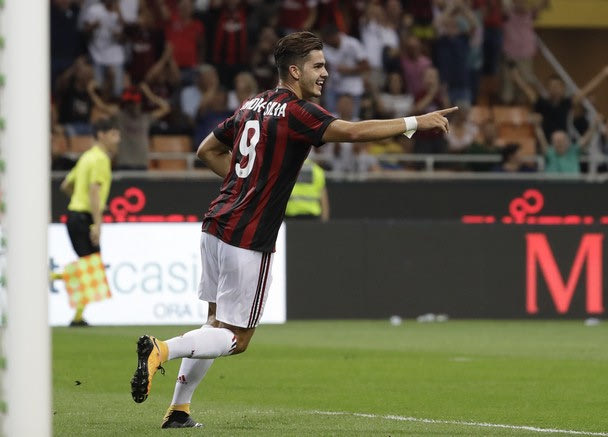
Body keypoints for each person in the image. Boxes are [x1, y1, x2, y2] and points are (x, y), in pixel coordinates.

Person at [130, 31, 456, 429]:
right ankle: (162, 349)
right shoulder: (297, 112)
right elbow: (353, 132)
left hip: (215, 224)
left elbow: (205, 151)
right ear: (295, 71)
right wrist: (415, 121)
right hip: (248, 236)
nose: (325, 73)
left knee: (213, 325)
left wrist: (244, 184)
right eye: (318, 66)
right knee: (236, 338)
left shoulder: (251, 105)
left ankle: (178, 410)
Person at [59, 118, 120, 326]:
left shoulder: (86, 157)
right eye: (114, 134)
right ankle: (47, 278)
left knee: (89, 268)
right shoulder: (101, 159)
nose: (118, 139)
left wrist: (79, 200)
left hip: (74, 216)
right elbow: (94, 190)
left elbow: (66, 185)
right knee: (91, 269)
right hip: (84, 218)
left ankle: (77, 317)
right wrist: (97, 224)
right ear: (101, 135)